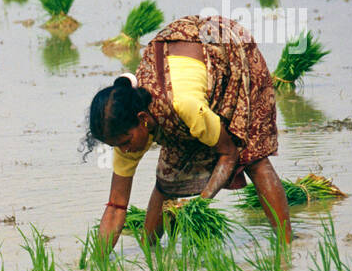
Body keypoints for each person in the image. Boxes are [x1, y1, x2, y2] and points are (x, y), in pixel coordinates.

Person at [86, 14, 291, 249]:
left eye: (125, 142)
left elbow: (229, 154)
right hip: (179, 78)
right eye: (117, 146)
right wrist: (97, 262)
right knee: (167, 179)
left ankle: (287, 246)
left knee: (253, 156)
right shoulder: (126, 129)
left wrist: (200, 204)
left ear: (143, 120)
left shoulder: (185, 105)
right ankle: (150, 252)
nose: (125, 150)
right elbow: (115, 206)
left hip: (228, 54)